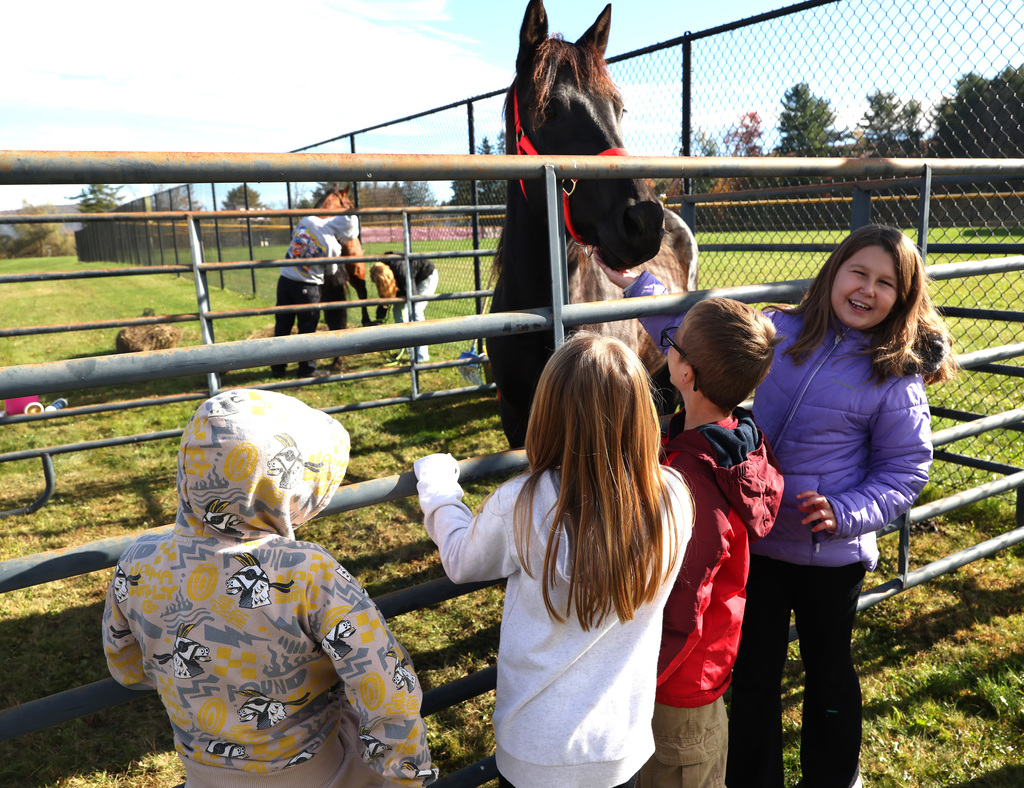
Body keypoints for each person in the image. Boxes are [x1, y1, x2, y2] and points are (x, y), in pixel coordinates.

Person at [607, 224, 957, 788]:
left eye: (886, 283)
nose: (868, 289)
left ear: (904, 295)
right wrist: (643, 288)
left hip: (831, 557)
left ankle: (833, 775)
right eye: (859, 273)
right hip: (760, 543)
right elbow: (702, 345)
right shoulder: (783, 330)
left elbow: (904, 469)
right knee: (753, 676)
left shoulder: (894, 375)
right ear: (835, 272)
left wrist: (847, 512)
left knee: (830, 675)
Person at [102, 389, 437, 788]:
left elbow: (125, 666)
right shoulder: (308, 572)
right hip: (319, 773)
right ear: (287, 482)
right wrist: (407, 775)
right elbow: (385, 687)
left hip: (201, 774)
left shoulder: (139, 559)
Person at [413, 331, 694, 788]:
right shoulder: (674, 497)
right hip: (620, 748)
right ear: (641, 413)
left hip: (535, 751)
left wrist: (439, 489)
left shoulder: (520, 503)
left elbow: (462, 560)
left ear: (548, 413)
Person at [271, 189, 360, 379]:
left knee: (283, 325)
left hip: (285, 279)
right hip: (307, 286)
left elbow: (295, 238)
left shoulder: (308, 220)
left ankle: (277, 368)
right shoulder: (333, 244)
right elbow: (330, 271)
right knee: (307, 328)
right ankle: (307, 369)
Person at [369, 252, 438, 363]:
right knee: (397, 310)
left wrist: (401, 297)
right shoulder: (383, 266)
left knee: (416, 311)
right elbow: (385, 296)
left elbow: (412, 295)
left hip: (426, 277)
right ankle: (406, 348)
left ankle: (422, 355)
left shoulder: (401, 271)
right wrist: (379, 319)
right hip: (407, 282)